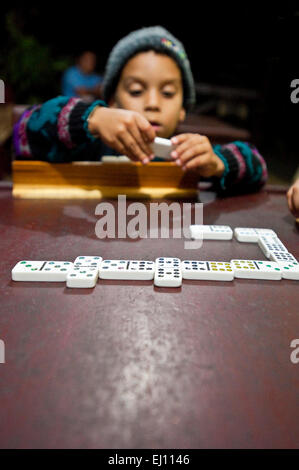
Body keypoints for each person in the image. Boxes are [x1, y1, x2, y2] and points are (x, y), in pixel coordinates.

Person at [13, 26, 268, 195]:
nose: (153, 103)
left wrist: (217, 163)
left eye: (168, 93)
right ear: (112, 101)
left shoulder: (189, 159)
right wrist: (92, 118)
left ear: (183, 109)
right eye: (136, 91)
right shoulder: (87, 146)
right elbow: (22, 133)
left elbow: (257, 165)